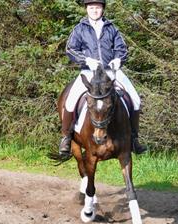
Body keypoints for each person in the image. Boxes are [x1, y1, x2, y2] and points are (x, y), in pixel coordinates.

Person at [59, 0, 147, 157]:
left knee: (136, 99)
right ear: (86, 9)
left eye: (98, 7)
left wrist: (119, 59)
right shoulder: (79, 29)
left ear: (103, 9)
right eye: (91, 7)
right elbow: (70, 50)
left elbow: (122, 49)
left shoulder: (112, 28)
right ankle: (66, 137)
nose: (94, 10)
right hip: (88, 72)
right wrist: (86, 60)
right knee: (70, 101)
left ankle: (134, 139)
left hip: (111, 72)